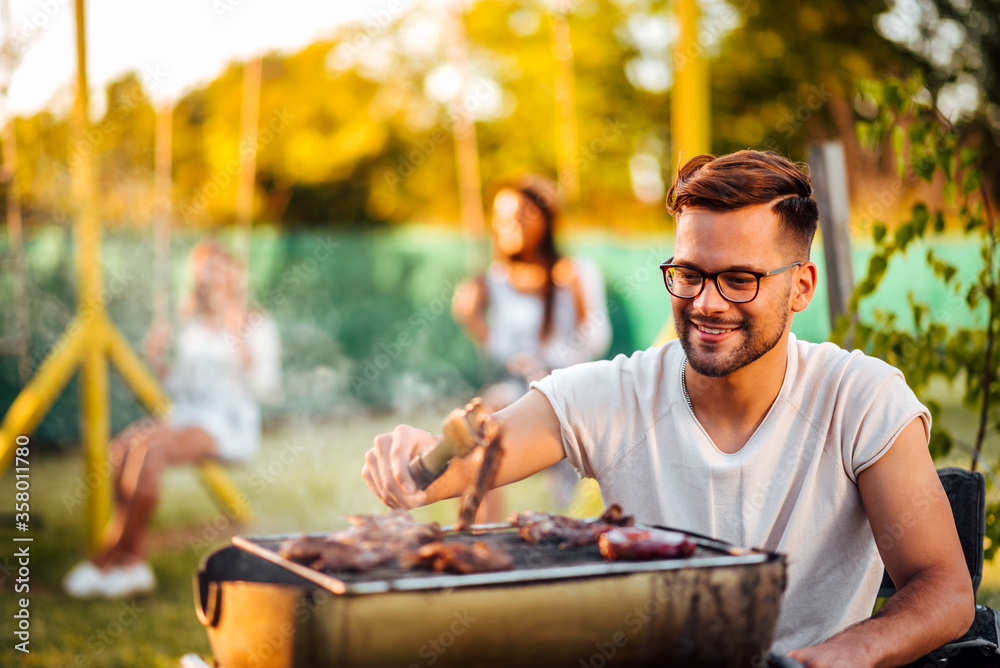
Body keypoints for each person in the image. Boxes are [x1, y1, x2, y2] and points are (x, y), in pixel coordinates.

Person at [362, 150, 974, 666]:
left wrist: (837, 657)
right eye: (688, 273)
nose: (706, 303)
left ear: (802, 288)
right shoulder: (611, 394)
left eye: (740, 280)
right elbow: (470, 459)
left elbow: (944, 588)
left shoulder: (861, 397)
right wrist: (418, 462)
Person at [63, 240, 281, 598]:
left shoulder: (254, 323)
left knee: (151, 453)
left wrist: (243, 349)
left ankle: (110, 554)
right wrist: (159, 361)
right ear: (197, 277)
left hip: (227, 423)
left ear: (234, 273)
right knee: (123, 448)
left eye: (220, 266)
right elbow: (183, 385)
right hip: (188, 413)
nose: (212, 275)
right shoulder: (192, 323)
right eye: (205, 268)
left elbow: (267, 388)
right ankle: (132, 564)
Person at [450, 174, 611, 515]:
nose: (511, 224)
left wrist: (578, 296)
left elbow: (597, 340)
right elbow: (507, 352)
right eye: (503, 217)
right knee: (475, 426)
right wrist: (473, 319)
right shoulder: (496, 279)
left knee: (571, 507)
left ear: (546, 218)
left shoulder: (576, 270)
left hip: (571, 387)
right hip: (522, 385)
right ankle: (483, 533)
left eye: (522, 214)